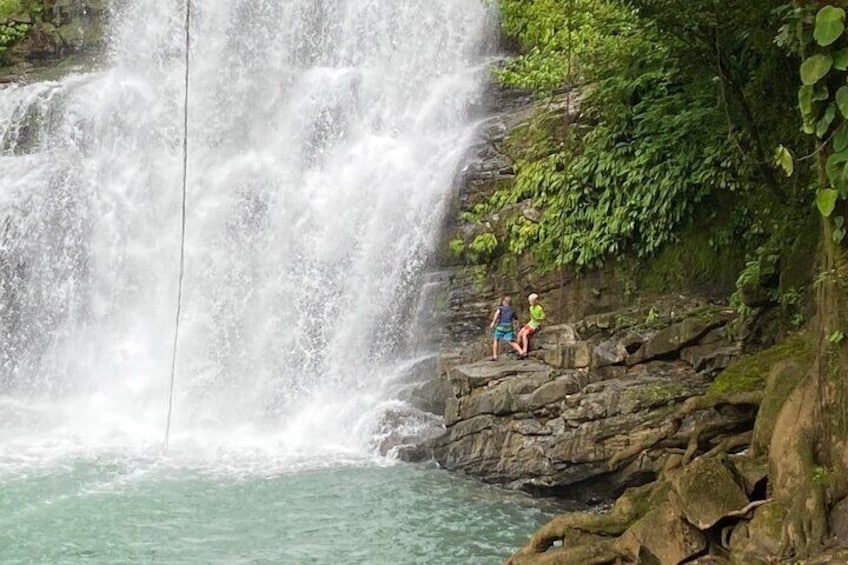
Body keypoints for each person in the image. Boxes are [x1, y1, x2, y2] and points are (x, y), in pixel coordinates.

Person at [512, 293, 545, 359]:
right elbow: (532, 318)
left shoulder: (539, 308)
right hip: (531, 323)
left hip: (536, 324)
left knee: (524, 334)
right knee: (519, 333)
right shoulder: (531, 308)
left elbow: (543, 316)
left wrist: (538, 318)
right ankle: (517, 349)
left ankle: (524, 351)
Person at [489, 296, 517, 361]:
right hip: (509, 326)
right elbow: (516, 318)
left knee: (496, 339)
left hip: (501, 326)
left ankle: (495, 356)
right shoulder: (511, 309)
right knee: (510, 340)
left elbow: (497, 314)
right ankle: (521, 351)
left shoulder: (500, 308)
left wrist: (493, 322)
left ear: (504, 302)